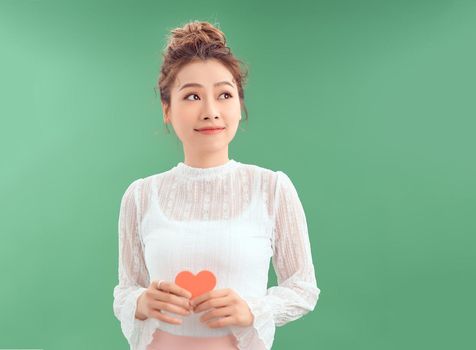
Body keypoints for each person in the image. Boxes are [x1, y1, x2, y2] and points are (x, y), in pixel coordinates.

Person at [112, 20, 321, 350]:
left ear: (239, 104)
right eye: (192, 95)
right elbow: (126, 290)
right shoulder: (141, 196)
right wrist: (141, 303)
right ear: (167, 109)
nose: (210, 112)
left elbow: (303, 288)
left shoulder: (272, 189)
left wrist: (253, 308)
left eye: (224, 94)